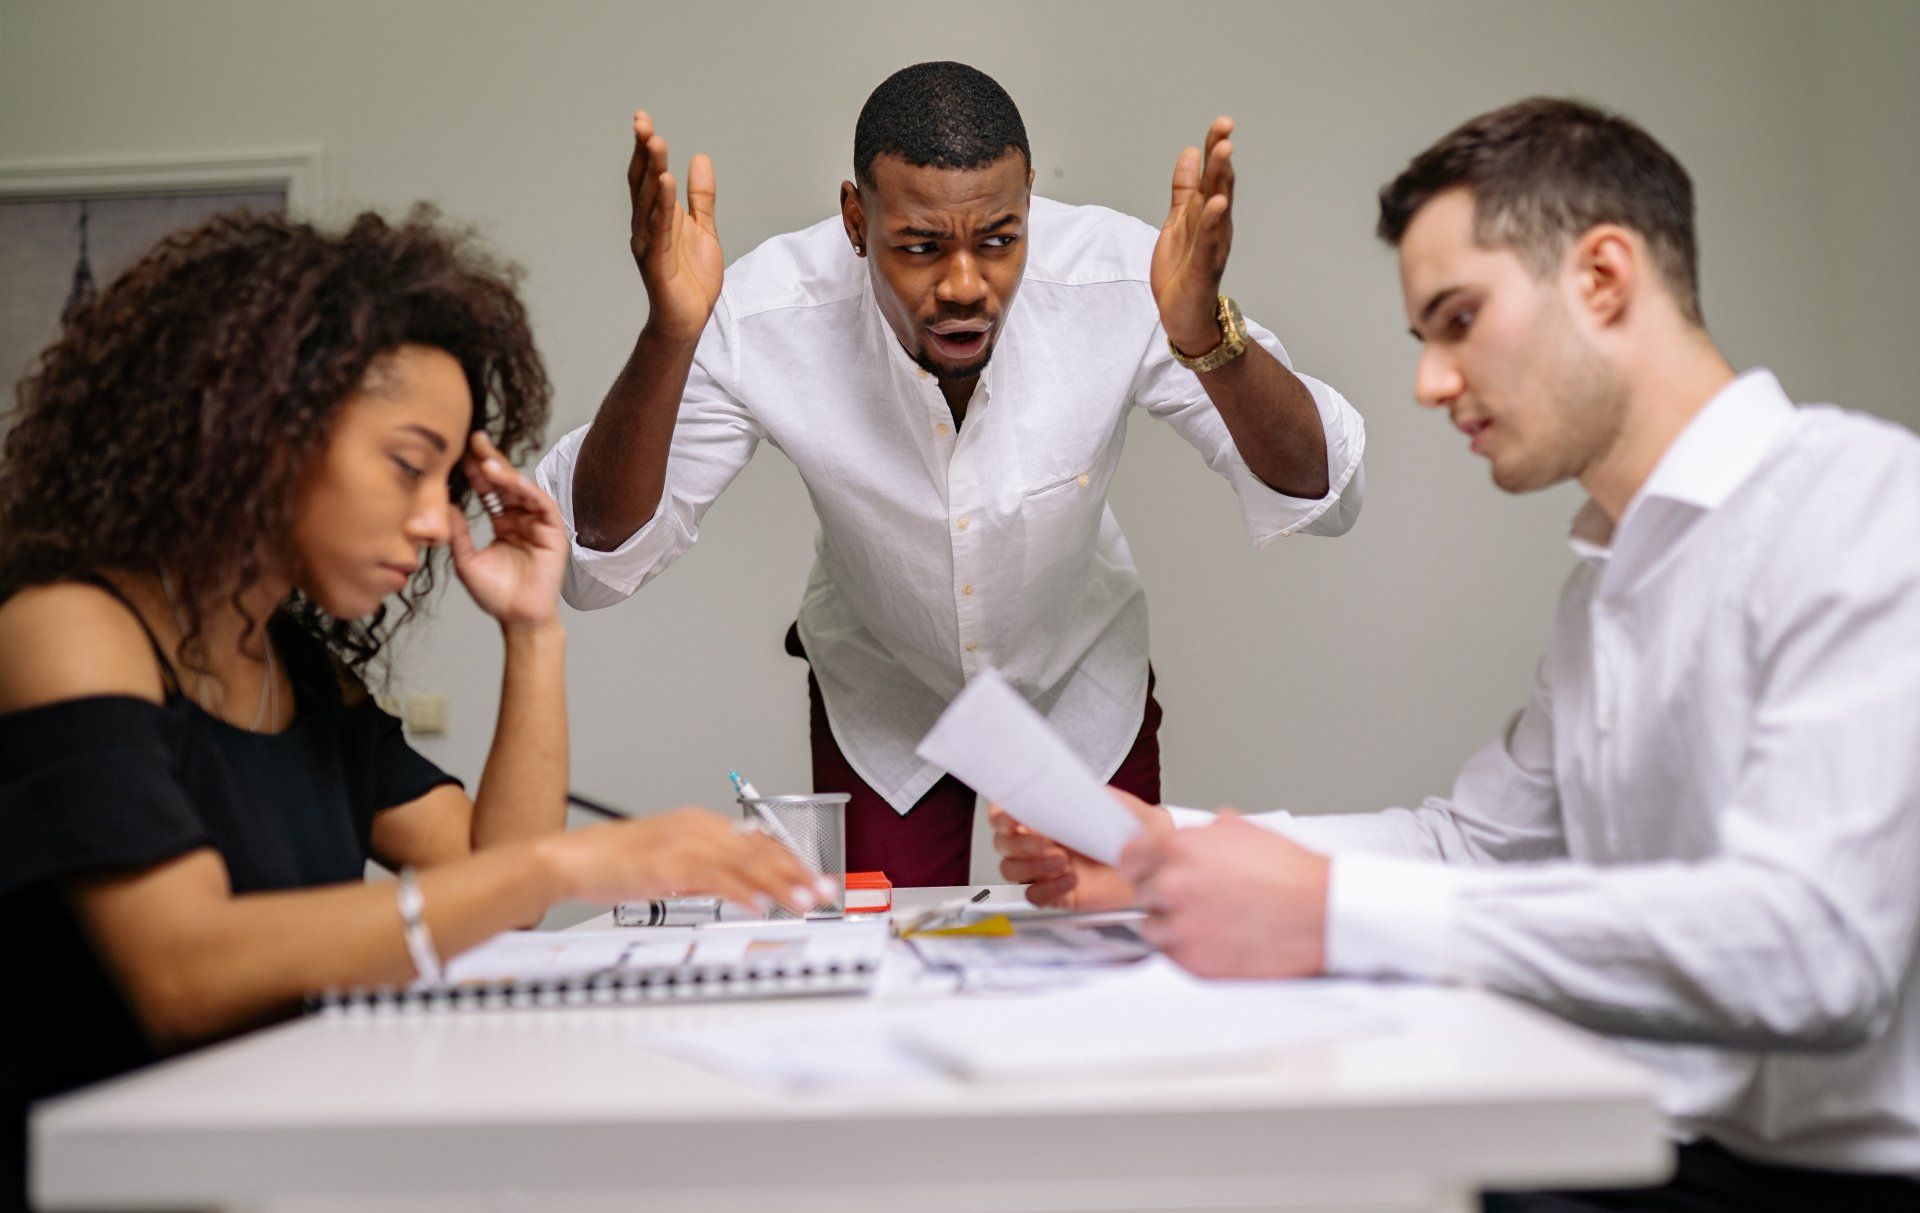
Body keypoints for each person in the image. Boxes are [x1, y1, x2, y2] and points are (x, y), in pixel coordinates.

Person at [993, 98, 1920, 1209]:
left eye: (1459, 320)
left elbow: (1814, 951)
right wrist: (1162, 844)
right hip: (1667, 1149)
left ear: (1606, 278)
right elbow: (1470, 848)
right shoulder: (1608, 591)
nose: (1432, 383)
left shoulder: (1867, 506)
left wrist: (1329, 910)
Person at [0, 208, 829, 1207]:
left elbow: (495, 896)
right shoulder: (65, 629)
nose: (438, 521)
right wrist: (569, 859)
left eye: (447, 479)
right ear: (262, 426)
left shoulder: (298, 672)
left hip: (255, 1167)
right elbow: (185, 972)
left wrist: (533, 631)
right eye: (407, 464)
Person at [536, 61, 1366, 886]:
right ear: (857, 219)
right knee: (877, 960)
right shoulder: (764, 314)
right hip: (883, 695)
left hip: (1080, 687)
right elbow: (597, 553)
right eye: (921, 246)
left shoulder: (1130, 279)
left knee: (1112, 952)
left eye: (1000, 239)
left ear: (1031, 201)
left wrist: (1203, 340)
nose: (965, 285)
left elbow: (1324, 487)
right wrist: (669, 337)